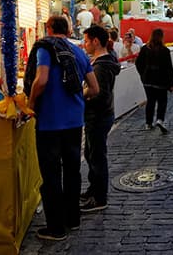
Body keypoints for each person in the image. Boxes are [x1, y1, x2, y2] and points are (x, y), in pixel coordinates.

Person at [25, 16, 99, 240]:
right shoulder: (78, 52)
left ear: (48, 29)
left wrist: (30, 104)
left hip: (49, 123)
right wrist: (77, 100)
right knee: (72, 171)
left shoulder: (45, 48)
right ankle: (73, 219)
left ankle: (56, 228)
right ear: (68, 29)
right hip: (74, 123)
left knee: (51, 175)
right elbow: (94, 89)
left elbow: (41, 80)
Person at [81, 26, 121, 213]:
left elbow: (99, 94)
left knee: (97, 157)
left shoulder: (100, 67)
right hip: (102, 115)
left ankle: (99, 198)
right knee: (91, 154)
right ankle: (94, 189)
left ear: (96, 41)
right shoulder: (104, 61)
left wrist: (83, 95)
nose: (85, 44)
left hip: (98, 116)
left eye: (87, 41)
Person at [135, 29, 173, 133]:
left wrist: (143, 74)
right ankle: (160, 119)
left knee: (150, 101)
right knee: (162, 101)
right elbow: (169, 68)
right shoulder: (164, 50)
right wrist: (171, 83)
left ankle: (148, 123)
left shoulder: (145, 49)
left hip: (148, 80)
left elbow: (138, 63)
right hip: (161, 80)